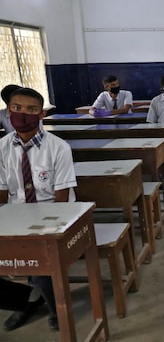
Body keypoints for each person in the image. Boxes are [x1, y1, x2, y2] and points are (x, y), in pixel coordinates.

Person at [0, 87, 78, 332]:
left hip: (52, 215)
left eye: (31, 109)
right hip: (16, 214)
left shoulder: (58, 147)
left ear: (41, 114)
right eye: (17, 108)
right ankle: (27, 299)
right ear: (8, 110)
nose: (23, 114)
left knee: (40, 263)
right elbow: (3, 193)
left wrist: (40, 234)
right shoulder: (1, 147)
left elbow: (62, 202)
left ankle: (53, 306)